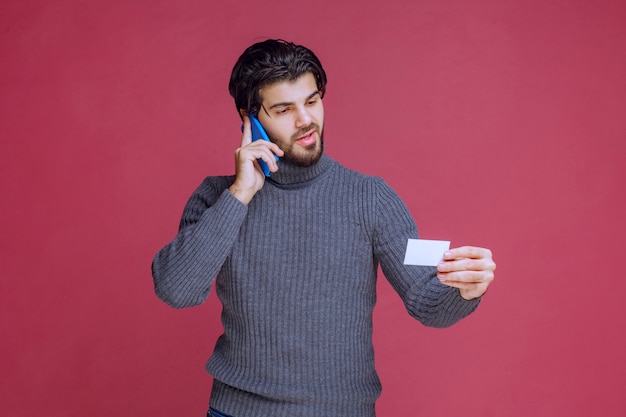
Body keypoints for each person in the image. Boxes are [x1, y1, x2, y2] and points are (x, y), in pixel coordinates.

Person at [152, 39, 496, 417]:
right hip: (236, 411)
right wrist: (241, 192)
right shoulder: (217, 197)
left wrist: (463, 288)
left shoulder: (370, 196)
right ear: (249, 117)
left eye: (312, 101)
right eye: (284, 109)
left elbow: (427, 304)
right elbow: (176, 290)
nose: (305, 120)